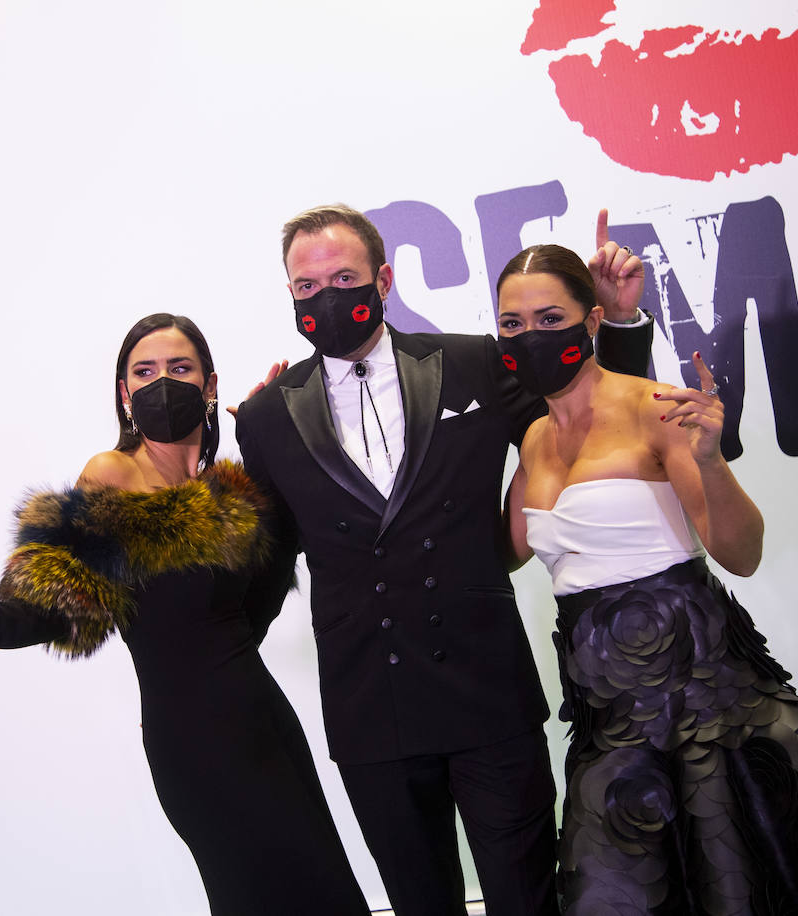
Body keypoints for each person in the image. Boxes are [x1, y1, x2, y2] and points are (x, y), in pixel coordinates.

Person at [0, 313, 369, 916]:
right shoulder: (112, 476)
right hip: (195, 742)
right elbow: (51, 610)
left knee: (327, 891)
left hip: (266, 724)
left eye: (179, 369)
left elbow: (258, 608)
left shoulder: (226, 491)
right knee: (252, 894)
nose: (160, 383)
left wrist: (266, 445)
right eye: (143, 372)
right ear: (124, 395)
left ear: (210, 385)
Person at [496, 244, 798, 915]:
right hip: (608, 723)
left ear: (591, 321)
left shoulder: (657, 408)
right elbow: (504, 553)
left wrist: (709, 459)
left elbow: (741, 553)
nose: (528, 336)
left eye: (547, 317)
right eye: (511, 323)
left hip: (714, 711)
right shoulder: (533, 438)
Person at [232, 205, 654, 916]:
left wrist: (618, 329)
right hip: (371, 711)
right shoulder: (266, 416)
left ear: (384, 278)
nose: (326, 296)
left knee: (527, 899)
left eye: (343, 277)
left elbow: (590, 429)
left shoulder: (474, 362)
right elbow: (273, 561)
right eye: (307, 287)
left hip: (486, 692)